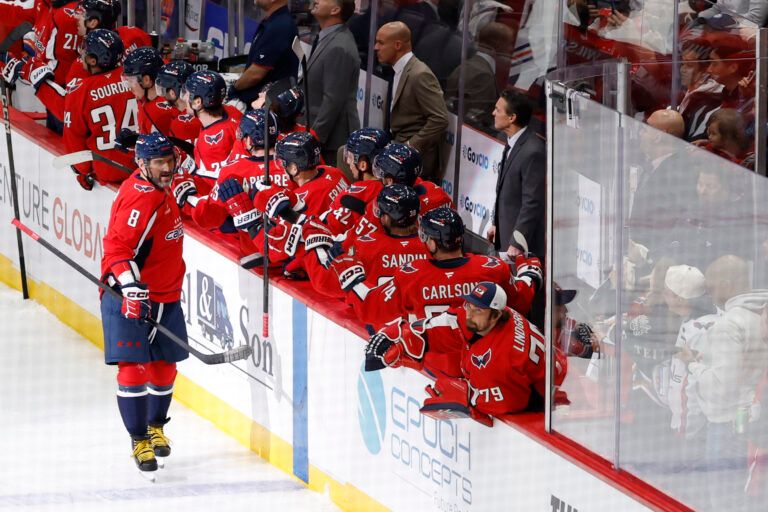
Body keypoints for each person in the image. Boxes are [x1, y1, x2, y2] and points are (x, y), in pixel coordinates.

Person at [100, 133, 189, 478]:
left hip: (166, 293)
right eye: (160, 163)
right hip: (129, 295)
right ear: (141, 165)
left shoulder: (160, 180)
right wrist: (130, 287)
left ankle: (155, 427)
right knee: (133, 369)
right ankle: (139, 439)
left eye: (170, 161)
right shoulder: (142, 201)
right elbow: (116, 250)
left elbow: (176, 150)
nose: (168, 168)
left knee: (165, 365)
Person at [364, 281, 566, 423]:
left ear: (496, 315)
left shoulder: (501, 356)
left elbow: (512, 402)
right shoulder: (496, 315)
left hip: (558, 400)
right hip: (550, 371)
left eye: (477, 309)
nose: (469, 312)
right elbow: (445, 323)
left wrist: (467, 395)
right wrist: (398, 334)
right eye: (469, 304)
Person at [693, 255, 768, 511]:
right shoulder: (762, 313)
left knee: (724, 503)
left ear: (727, 284)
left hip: (727, 426)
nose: (710, 294)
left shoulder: (729, 325)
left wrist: (696, 368)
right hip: (755, 425)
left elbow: (721, 389)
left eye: (712, 286)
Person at [62, 29, 137, 189]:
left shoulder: (80, 91)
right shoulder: (135, 79)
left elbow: (74, 140)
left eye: (85, 52)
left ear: (93, 60)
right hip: (141, 169)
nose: (81, 55)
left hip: (108, 173)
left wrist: (83, 171)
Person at [374, 21, 449, 181]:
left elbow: (440, 119)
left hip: (412, 160)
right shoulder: (397, 70)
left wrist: (410, 146)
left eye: (381, 43)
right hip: (396, 147)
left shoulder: (419, 74)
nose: (376, 47)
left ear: (398, 45)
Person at [486, 89, 545, 260]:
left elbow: (532, 202)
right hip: (504, 235)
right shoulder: (513, 142)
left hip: (518, 248)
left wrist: (519, 242)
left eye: (498, 110)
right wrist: (496, 223)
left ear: (512, 118)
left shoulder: (533, 151)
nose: (493, 113)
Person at [304, 0, 360, 165]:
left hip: (330, 141)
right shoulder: (327, 36)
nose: (315, 1)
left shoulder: (339, 46)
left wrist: (314, 138)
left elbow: (333, 99)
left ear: (335, 10)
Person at [182, 70, 241, 195]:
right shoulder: (231, 111)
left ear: (198, 102)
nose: (184, 98)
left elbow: (217, 188)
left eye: (187, 94)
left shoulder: (211, 142)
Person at [231, 0, 298, 104]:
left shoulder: (279, 26)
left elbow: (255, 75)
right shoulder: (273, 21)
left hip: (265, 108)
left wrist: (234, 87)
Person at [121, 46, 174, 136]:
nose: (130, 88)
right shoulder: (144, 99)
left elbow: (165, 149)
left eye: (131, 81)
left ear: (146, 80)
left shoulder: (162, 113)